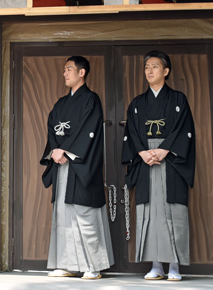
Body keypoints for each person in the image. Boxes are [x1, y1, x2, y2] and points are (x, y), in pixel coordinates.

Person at [121, 50, 195, 281]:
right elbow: (131, 132)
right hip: (145, 160)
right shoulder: (137, 103)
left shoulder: (178, 99)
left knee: (173, 212)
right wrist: (142, 152)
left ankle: (174, 265)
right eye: (146, 67)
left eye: (154, 66)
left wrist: (164, 150)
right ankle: (156, 265)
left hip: (171, 159)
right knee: (149, 211)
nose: (149, 71)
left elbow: (185, 130)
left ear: (166, 71)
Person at [40, 56, 114, 280]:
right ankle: (67, 263)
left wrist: (66, 151)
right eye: (64, 70)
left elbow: (88, 130)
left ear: (82, 72)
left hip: (82, 164)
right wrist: (54, 150)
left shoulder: (91, 99)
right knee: (63, 214)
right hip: (62, 164)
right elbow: (53, 127)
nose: (65, 73)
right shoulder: (61, 103)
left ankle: (94, 266)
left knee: (85, 213)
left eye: (69, 69)